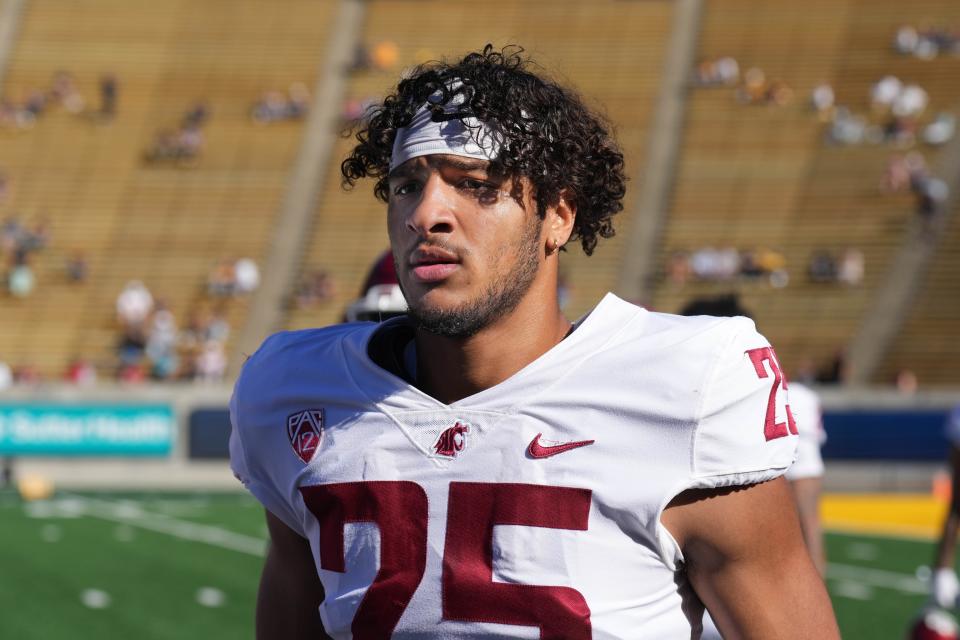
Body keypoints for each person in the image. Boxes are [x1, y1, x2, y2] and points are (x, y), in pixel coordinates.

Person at [229, 45, 838, 639]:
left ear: (559, 216)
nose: (426, 213)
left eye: (476, 184)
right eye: (407, 185)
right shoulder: (298, 392)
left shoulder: (686, 391)